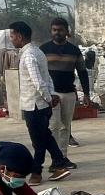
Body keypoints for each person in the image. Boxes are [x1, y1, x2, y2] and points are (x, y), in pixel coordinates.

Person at [9, 21, 71, 185]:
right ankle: (59, 164)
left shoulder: (29, 55)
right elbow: (47, 77)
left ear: (20, 36)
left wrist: (49, 98)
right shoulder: (37, 52)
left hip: (34, 104)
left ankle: (37, 172)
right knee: (45, 136)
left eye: (12, 36)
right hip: (40, 103)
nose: (11, 39)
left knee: (39, 141)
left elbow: (38, 81)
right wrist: (50, 95)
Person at [40, 17, 90, 168]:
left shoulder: (74, 50)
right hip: (51, 94)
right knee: (53, 126)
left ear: (67, 32)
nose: (57, 33)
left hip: (68, 93)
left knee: (65, 127)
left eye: (60, 30)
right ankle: (55, 159)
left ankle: (63, 157)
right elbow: (39, 73)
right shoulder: (44, 50)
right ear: (51, 31)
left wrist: (86, 94)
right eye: (54, 30)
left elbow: (82, 72)